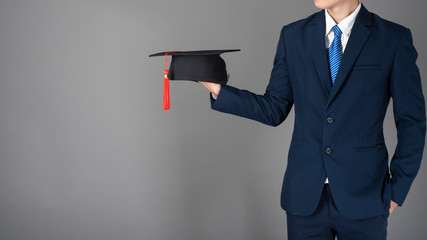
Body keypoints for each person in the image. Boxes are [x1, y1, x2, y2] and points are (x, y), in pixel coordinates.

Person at [199, 0, 426, 239]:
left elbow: (412, 121)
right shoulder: (293, 35)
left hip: (366, 196)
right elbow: (274, 108)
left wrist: (397, 191)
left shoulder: (392, 38)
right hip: (305, 196)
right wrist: (218, 90)